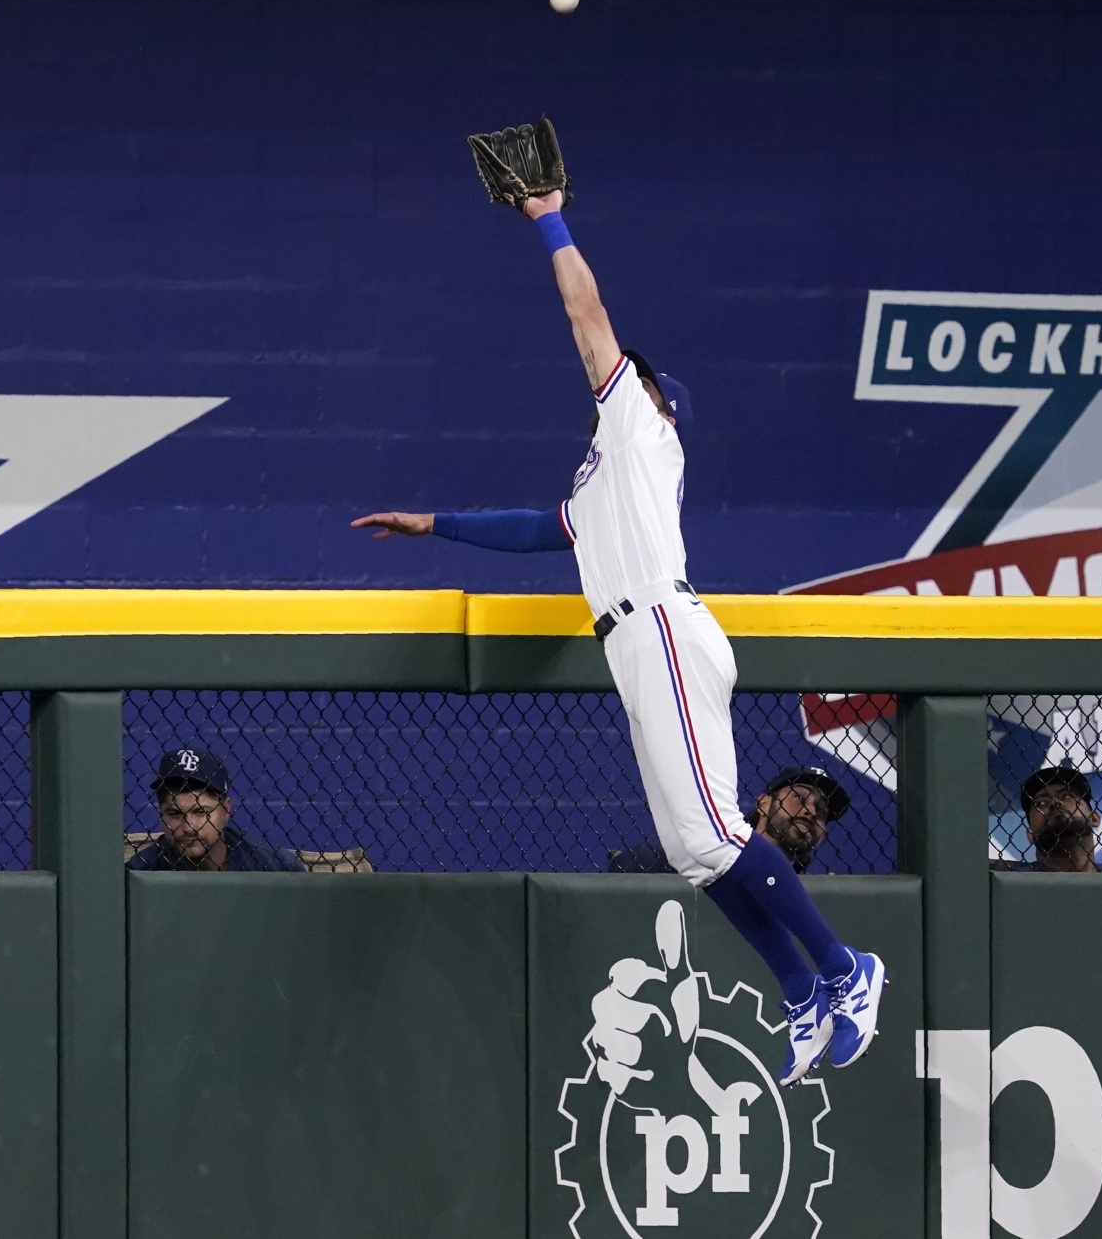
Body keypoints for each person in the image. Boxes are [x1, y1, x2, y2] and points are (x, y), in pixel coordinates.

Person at [353, 186, 884, 1085]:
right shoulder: (604, 476)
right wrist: (433, 522)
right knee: (692, 850)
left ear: (653, 400)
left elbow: (586, 309)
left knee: (717, 833)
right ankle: (800, 989)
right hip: (639, 648)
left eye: (622, 372)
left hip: (665, 629)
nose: (605, 371)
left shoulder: (642, 425)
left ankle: (845, 969)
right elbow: (537, 527)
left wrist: (547, 217)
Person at [609, 764, 852, 874]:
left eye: (821, 810)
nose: (810, 811)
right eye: (799, 797)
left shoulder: (813, 895)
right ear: (764, 803)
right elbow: (628, 866)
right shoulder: (701, 857)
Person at [126, 747, 306, 872]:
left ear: (226, 810)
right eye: (174, 814)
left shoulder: (274, 867)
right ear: (161, 814)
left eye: (201, 812)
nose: (189, 827)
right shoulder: (141, 871)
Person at [994, 765, 1102, 873]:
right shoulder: (1014, 881)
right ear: (1030, 835)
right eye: (1041, 803)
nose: (1055, 803)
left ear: (1094, 818)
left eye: (1067, 796)